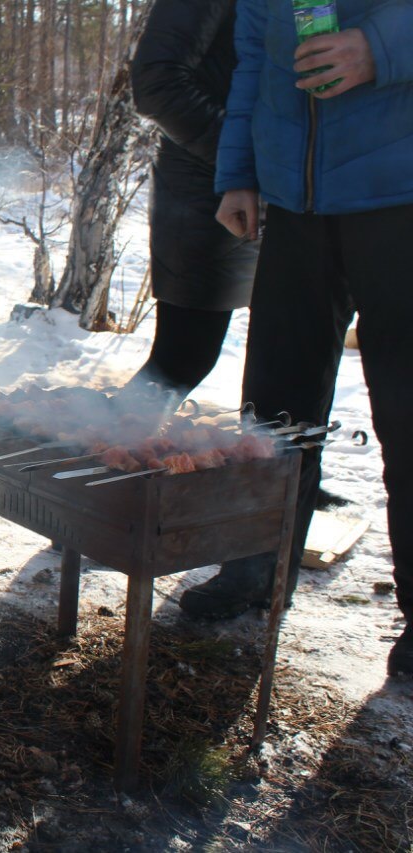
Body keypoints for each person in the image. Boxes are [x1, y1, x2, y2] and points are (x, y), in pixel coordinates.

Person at [199, 0, 413, 676]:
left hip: (401, 199)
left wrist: (381, 47)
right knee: (274, 408)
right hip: (296, 206)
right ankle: (257, 568)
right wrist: (239, 170)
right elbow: (253, 65)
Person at [125, 0, 258, 404]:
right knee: (182, 360)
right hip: (207, 188)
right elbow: (156, 82)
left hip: (283, 189)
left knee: (287, 374)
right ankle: (83, 456)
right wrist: (241, 159)